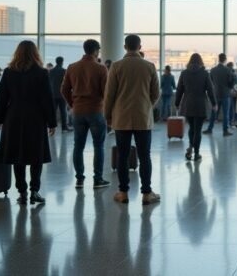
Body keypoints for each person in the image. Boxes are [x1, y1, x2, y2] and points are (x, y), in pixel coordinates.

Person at [0, 41, 57, 205]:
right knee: (36, 156)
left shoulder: (8, 72)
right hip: (35, 118)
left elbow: (1, 98)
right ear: (35, 53)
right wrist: (52, 122)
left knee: (17, 155)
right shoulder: (41, 73)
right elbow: (47, 100)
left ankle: (22, 193)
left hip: (13, 117)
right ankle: (34, 191)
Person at [104, 34, 161, 205]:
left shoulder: (116, 66)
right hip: (143, 117)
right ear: (140, 46)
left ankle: (123, 192)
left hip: (121, 117)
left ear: (125, 46)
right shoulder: (149, 66)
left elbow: (109, 94)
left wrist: (108, 114)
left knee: (122, 155)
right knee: (145, 156)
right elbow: (155, 93)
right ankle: (146, 192)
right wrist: (146, 105)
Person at [60, 39, 110, 189]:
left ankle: (79, 179)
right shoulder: (101, 69)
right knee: (98, 146)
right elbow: (105, 92)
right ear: (95, 51)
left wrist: (72, 103)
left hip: (78, 111)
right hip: (96, 110)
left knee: (78, 146)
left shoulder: (72, 67)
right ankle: (98, 179)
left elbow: (64, 89)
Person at [175, 53, 217, 161]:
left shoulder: (184, 73)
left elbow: (179, 90)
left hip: (188, 104)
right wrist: (214, 103)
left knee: (191, 128)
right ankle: (196, 153)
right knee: (198, 130)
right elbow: (210, 90)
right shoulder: (204, 73)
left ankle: (190, 147)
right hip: (201, 105)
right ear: (201, 62)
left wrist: (177, 103)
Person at [204, 53, 235, 136]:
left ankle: (210, 129)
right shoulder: (228, 70)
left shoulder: (213, 70)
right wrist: (230, 87)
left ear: (218, 59)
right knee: (226, 114)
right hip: (226, 94)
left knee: (214, 112)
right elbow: (231, 82)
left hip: (216, 94)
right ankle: (225, 130)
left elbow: (210, 82)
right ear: (225, 60)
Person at [49, 56, 70, 132]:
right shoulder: (64, 71)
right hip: (62, 94)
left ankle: (52, 127)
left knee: (53, 111)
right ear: (62, 62)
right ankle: (64, 128)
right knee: (63, 111)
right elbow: (67, 83)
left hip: (53, 94)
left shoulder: (50, 71)